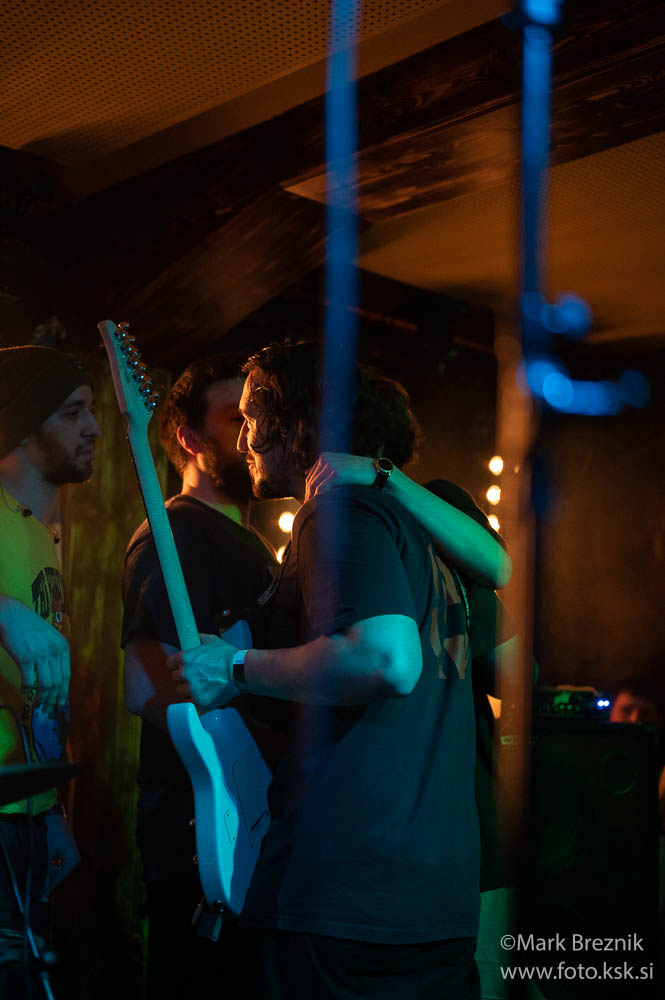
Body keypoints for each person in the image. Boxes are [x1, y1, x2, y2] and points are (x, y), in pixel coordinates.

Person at [168, 339, 506, 999]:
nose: (243, 440)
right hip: (433, 897)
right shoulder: (422, 531)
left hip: (345, 897)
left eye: (251, 418)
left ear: (295, 423)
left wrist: (236, 669)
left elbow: (385, 659)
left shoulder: (339, 510)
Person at [120, 355, 276, 1000]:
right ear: (188, 437)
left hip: (248, 822)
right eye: (233, 418)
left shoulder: (249, 542)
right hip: (202, 838)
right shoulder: (176, 532)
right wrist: (236, 756)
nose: (251, 432)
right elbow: (142, 685)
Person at [0, 344, 100, 997]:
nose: (93, 428)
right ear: (21, 425)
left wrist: (49, 810)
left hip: (26, 812)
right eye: (71, 412)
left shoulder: (39, 530)